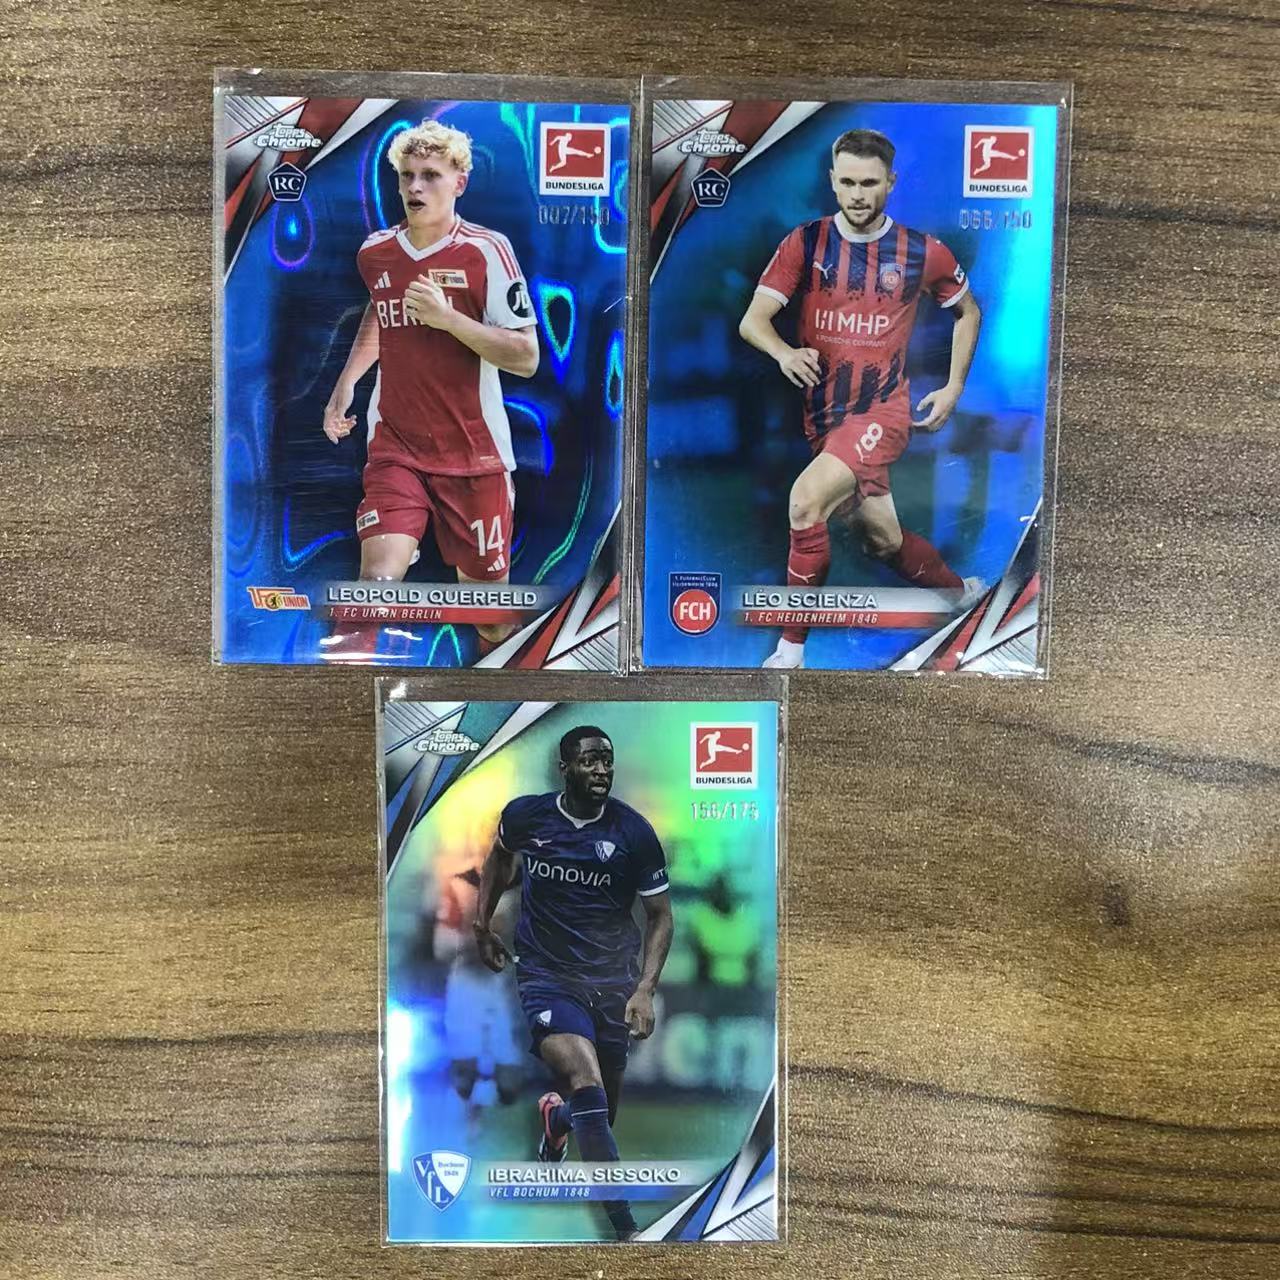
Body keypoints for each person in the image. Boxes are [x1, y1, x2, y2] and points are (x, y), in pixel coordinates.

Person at [738, 127, 984, 669]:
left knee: (805, 503)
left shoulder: (922, 252)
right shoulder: (806, 243)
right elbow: (753, 321)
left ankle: (789, 651)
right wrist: (783, 353)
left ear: (890, 182)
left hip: (882, 411)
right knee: (883, 541)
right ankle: (959, 595)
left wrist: (953, 387)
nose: (857, 195)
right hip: (824, 418)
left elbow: (968, 312)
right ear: (832, 180)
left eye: (869, 183)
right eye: (847, 182)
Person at [321, 119, 539, 659]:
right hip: (397, 447)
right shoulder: (376, 252)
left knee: (491, 622)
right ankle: (347, 688)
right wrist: (347, 382)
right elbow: (381, 310)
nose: (416, 187)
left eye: (431, 176)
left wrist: (449, 321)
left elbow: (527, 357)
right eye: (407, 176)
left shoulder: (487, 251)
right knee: (373, 586)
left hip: (475, 457)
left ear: (459, 183)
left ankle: (493, 688)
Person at [473, 725, 675, 1242]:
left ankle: (557, 1119)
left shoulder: (633, 833)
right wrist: (482, 925)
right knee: (587, 1082)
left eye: (607, 760)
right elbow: (499, 859)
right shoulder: (527, 817)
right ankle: (627, 1231)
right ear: (564, 768)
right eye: (589, 761)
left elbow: (660, 916)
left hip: (612, 980)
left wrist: (645, 988)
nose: (601, 770)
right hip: (547, 976)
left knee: (600, 1113)